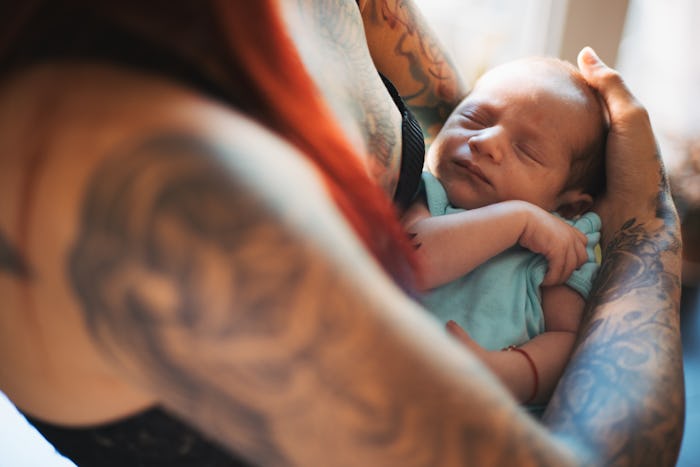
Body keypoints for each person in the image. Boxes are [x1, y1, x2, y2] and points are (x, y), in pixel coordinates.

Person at [0, 1, 683, 467]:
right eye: (483, 129)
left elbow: (452, 108)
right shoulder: (151, 181)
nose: (484, 143)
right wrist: (647, 226)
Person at [402, 57, 607, 406]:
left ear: (569, 206)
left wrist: (503, 373)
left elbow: (568, 341)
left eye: (525, 150)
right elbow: (410, 262)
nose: (486, 141)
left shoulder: (563, 243)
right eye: (474, 119)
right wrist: (518, 220)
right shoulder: (427, 194)